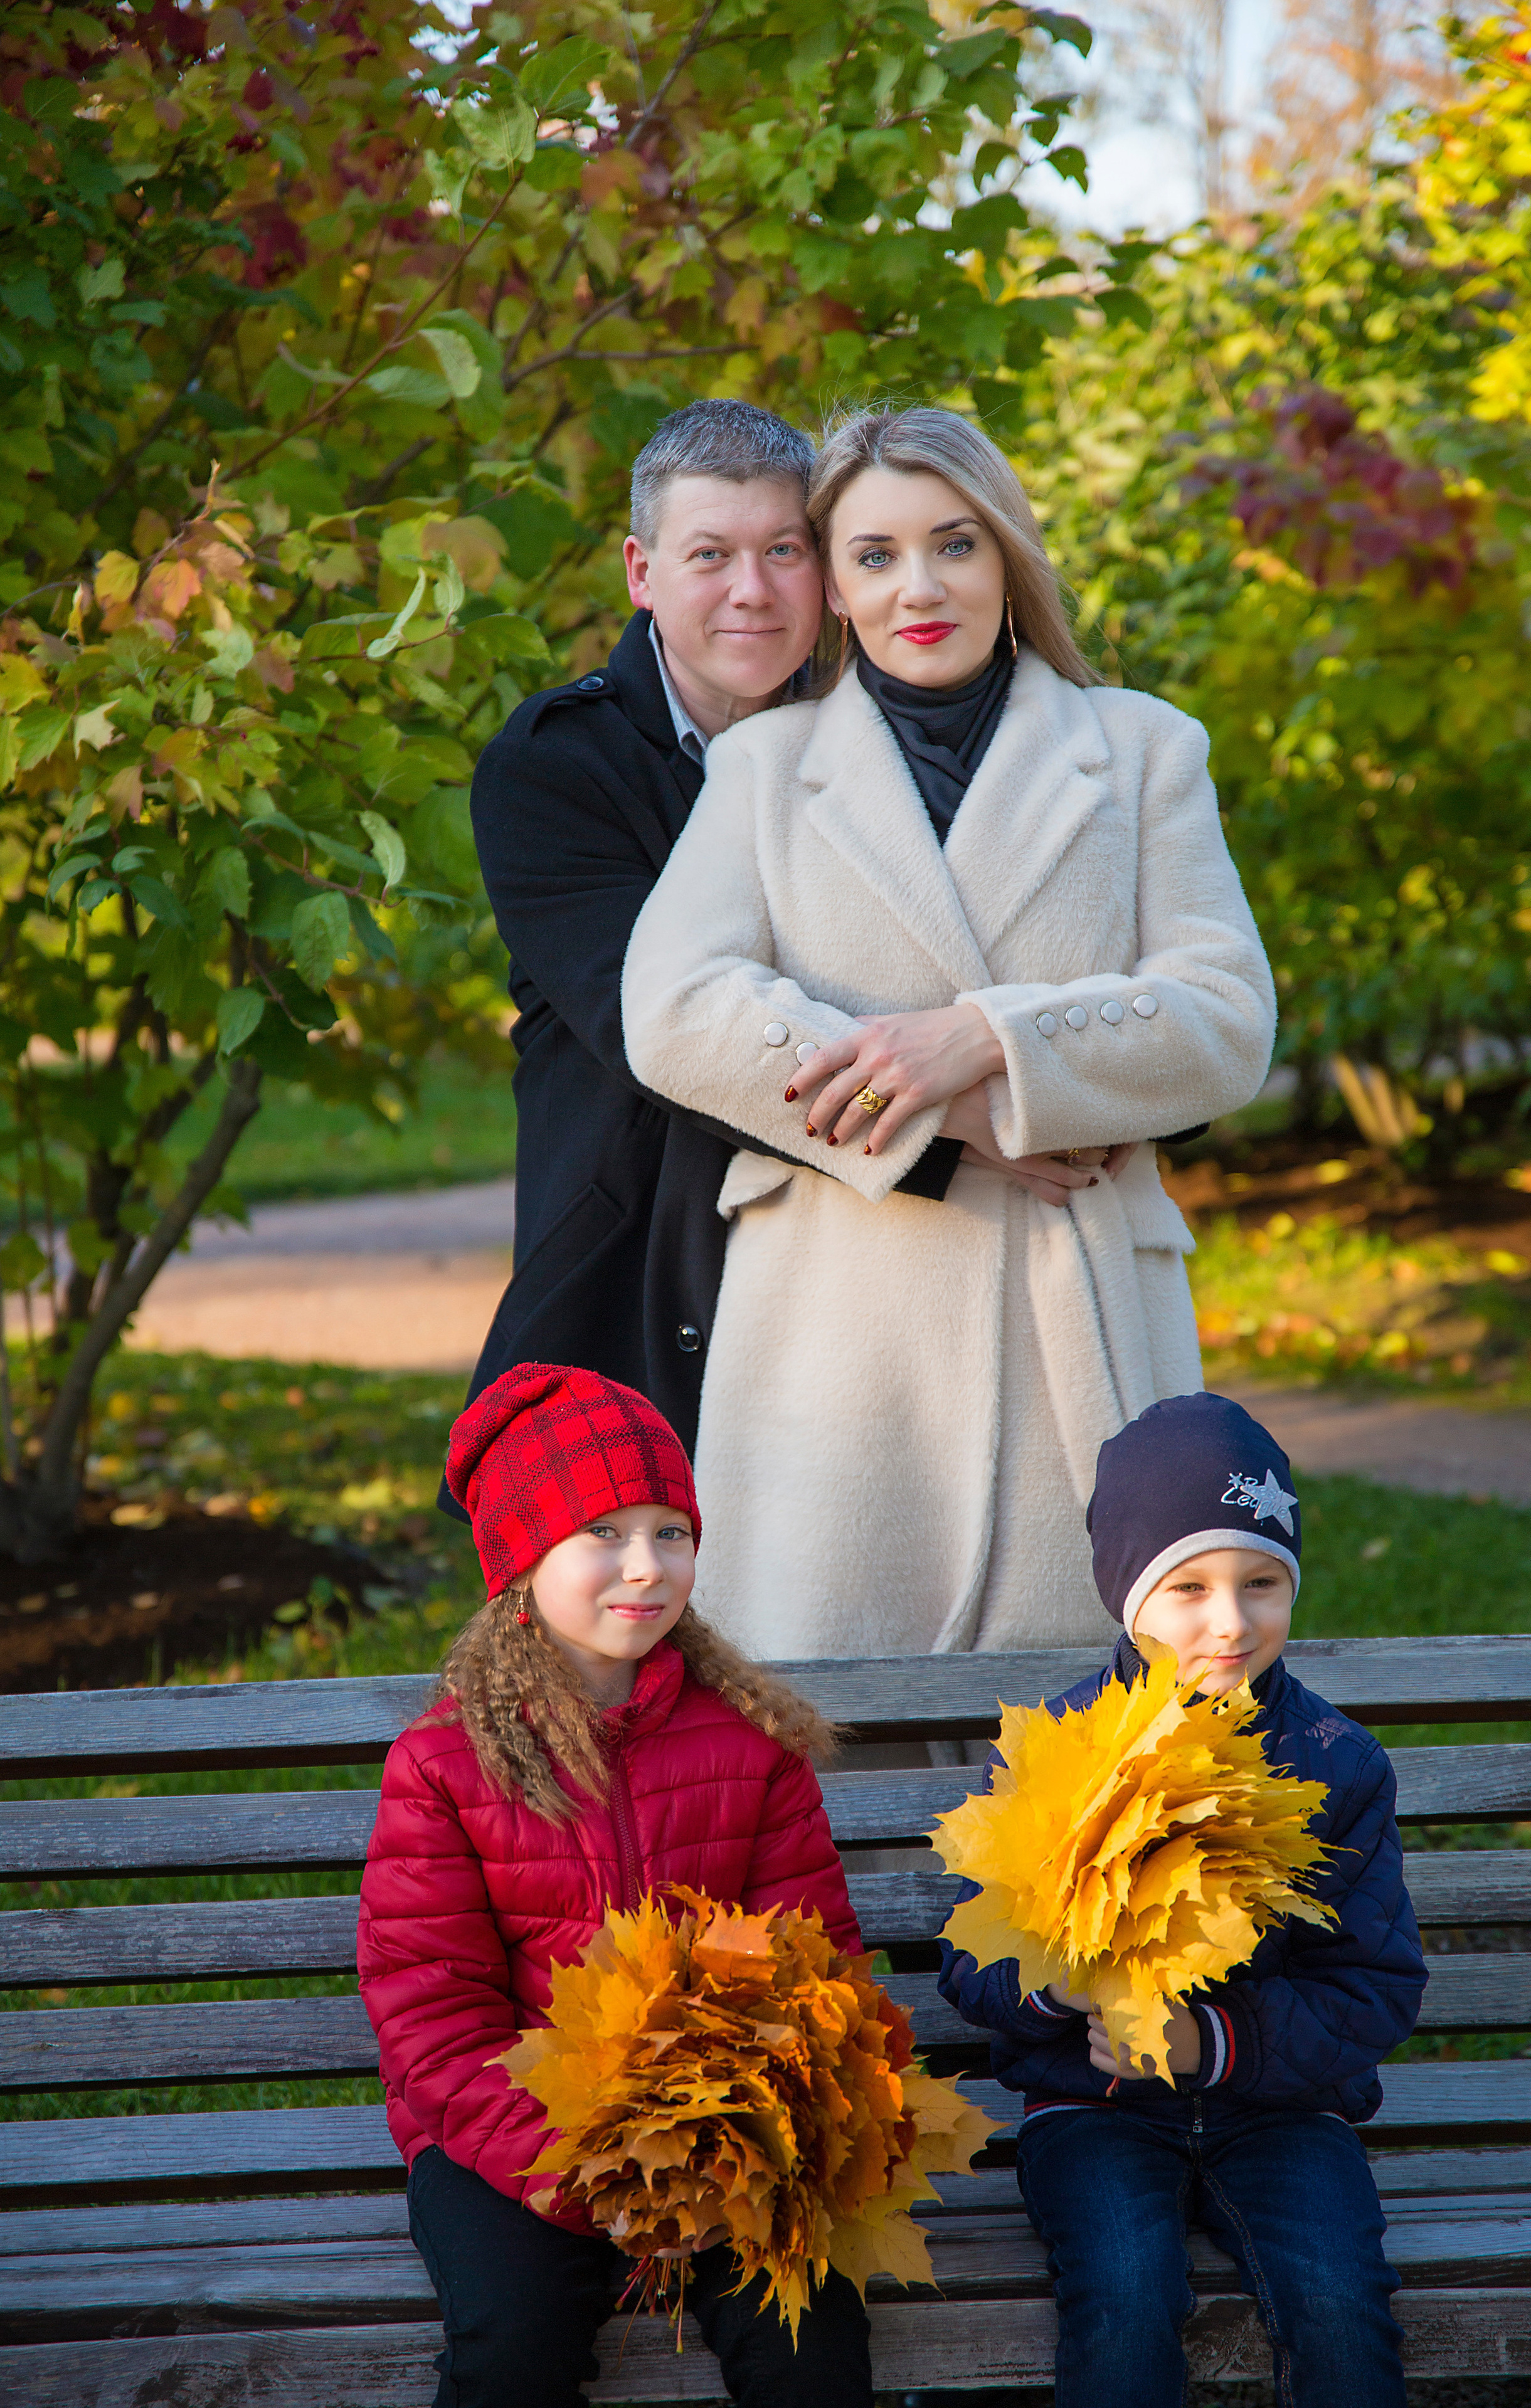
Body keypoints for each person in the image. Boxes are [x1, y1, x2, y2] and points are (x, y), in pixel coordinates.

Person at [622, 406, 1277, 1656]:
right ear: (835, 585)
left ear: (1007, 558)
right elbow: (675, 1012)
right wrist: (948, 1111)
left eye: (954, 545)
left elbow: (1223, 1022)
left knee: (1100, 1749)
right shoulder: (763, 768)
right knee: (824, 1736)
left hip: (1078, 1313)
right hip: (835, 1330)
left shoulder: (1141, 752)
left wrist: (986, 1039)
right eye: (872, 555)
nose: (917, 586)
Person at [458, 396, 1077, 1497]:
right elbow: (662, 1033)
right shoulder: (555, 768)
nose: (751, 592)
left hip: (869, 1252)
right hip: (641, 1260)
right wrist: (958, 1118)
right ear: (643, 572)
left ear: (829, 570)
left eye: (784, 550)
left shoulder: (895, 736)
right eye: (711, 556)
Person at [359, 1361, 872, 2408]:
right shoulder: (447, 1765)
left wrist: (733, 2147)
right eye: (604, 1533)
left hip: (724, 2129)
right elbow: (435, 2027)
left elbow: (815, 1968)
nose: (645, 1567)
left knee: (810, 2335)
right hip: (505, 2136)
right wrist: (596, 2179)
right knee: (514, 2342)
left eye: (670, 1532)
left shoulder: (752, 1744)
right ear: (520, 1556)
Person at [937, 1391, 1426, 2408]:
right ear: (1128, 1597)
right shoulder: (1059, 1751)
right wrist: (1058, 1990)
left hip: (1285, 2110)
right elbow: (968, 1963)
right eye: (1188, 1587)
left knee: (1339, 2301)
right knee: (1122, 2293)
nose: (1231, 1621)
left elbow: (1374, 1985)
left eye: (1262, 1582)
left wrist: (1216, 2041)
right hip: (1095, 2109)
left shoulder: (1335, 1765)